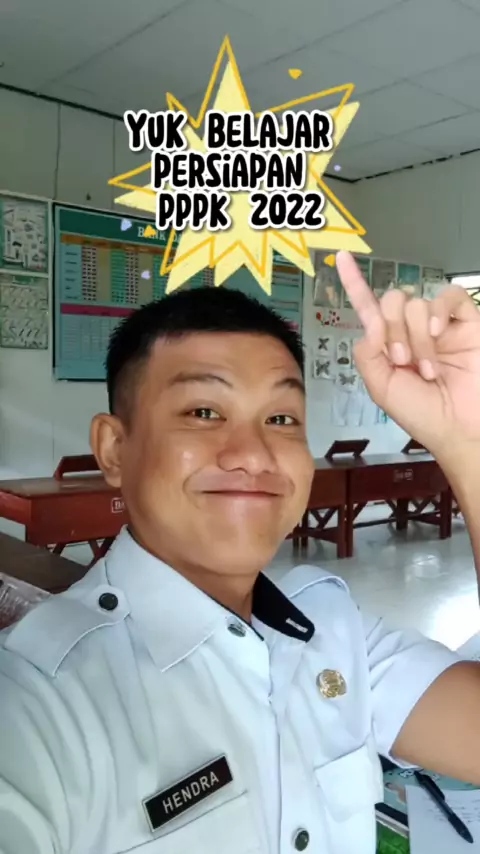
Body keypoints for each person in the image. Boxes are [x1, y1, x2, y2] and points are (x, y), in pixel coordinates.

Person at [1, 250, 480, 854]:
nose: (253, 454)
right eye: (204, 412)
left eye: (280, 418)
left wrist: (467, 442)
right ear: (115, 450)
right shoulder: (40, 703)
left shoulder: (333, 631)